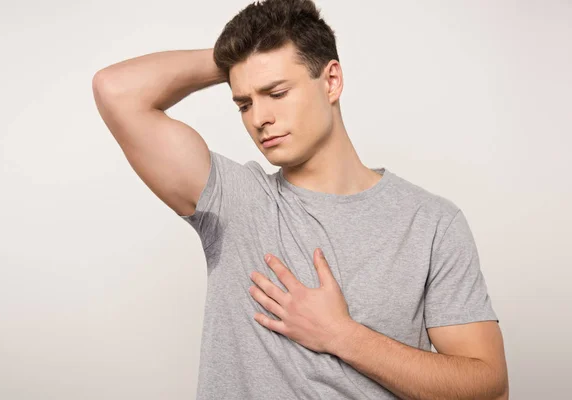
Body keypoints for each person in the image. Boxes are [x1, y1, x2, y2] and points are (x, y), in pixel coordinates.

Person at [92, 1, 509, 399]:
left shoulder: (431, 223)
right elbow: (115, 91)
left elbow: (487, 389)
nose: (259, 119)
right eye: (244, 103)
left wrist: (342, 335)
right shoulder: (235, 202)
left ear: (331, 81)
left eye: (276, 92)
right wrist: (238, 60)